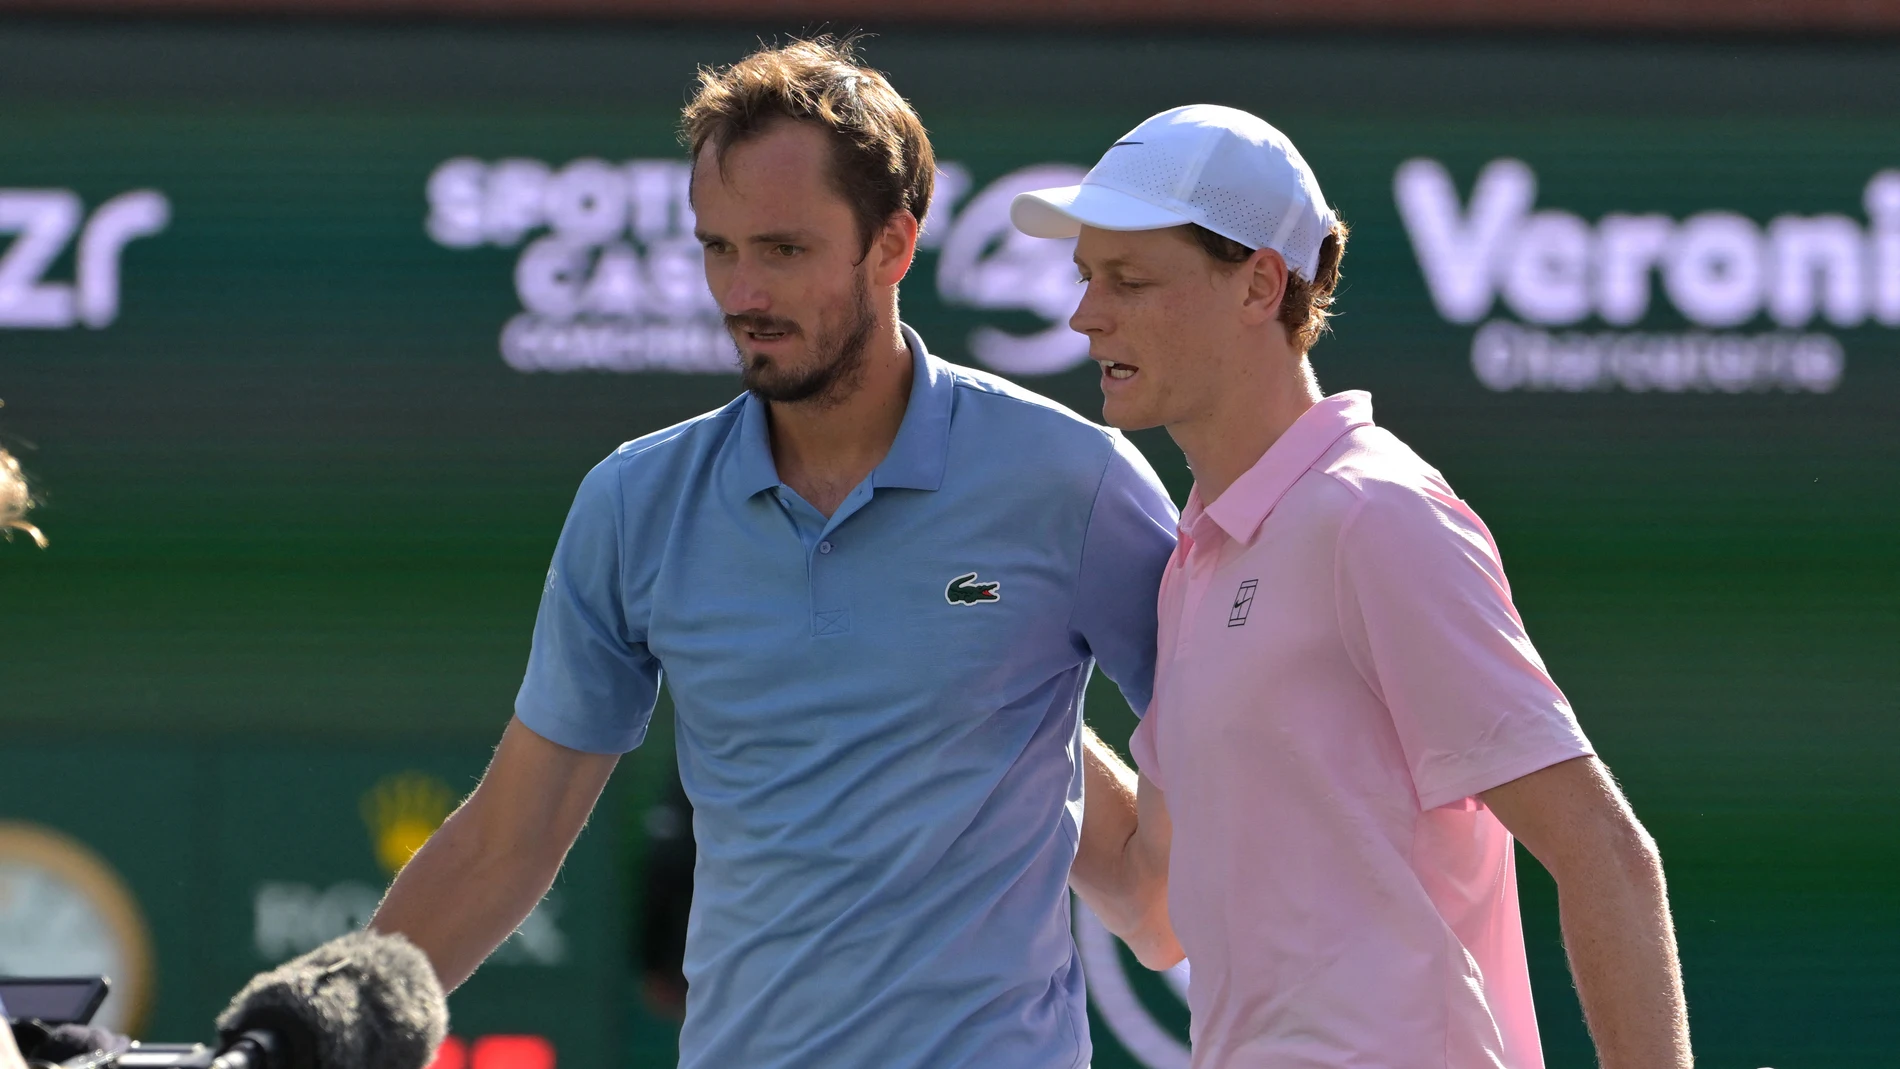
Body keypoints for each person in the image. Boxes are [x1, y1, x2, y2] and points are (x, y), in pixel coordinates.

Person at [369, 38, 1177, 1069]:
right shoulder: (635, 502)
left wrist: (1031, 743)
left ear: (893, 244)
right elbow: (505, 843)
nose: (741, 291)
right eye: (718, 247)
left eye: (783, 250)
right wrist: (322, 1021)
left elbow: (1239, 774)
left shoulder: (1073, 480)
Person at [1021, 106, 1692, 1068]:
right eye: (1087, 278)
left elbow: (1605, 854)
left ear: (1260, 283)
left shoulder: (1374, 515)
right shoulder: (1196, 561)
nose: (1088, 315)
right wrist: (980, 686)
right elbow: (1151, 901)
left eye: (1129, 281)